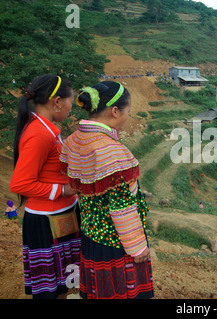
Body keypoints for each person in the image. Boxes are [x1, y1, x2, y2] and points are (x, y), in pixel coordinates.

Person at [60, 81, 153, 299]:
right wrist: (138, 248)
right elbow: (121, 206)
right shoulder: (112, 152)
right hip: (116, 243)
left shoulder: (74, 141)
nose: (128, 116)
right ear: (114, 111)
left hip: (91, 238)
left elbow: (75, 184)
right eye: (127, 111)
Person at [9, 75, 80, 299]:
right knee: (53, 289)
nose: (71, 108)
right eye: (70, 102)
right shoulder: (39, 134)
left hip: (60, 216)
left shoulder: (47, 130)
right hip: (47, 221)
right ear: (57, 101)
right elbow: (20, 183)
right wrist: (61, 191)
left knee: (67, 285)